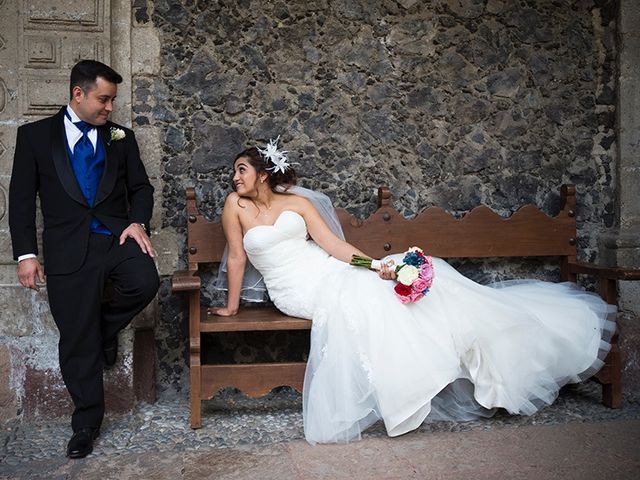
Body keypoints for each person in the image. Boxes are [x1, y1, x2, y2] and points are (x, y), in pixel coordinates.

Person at [213, 140, 615, 444]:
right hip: (295, 290)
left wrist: (375, 266)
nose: (236, 177)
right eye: (235, 172)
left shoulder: (297, 204)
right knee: (368, 300)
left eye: (242, 169)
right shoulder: (236, 206)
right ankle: (419, 379)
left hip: (327, 270)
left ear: (263, 174)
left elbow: (334, 248)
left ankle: (478, 345)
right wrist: (232, 307)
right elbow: (236, 258)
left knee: (389, 286)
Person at [9, 60, 159, 458]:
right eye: (103, 99)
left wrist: (137, 222)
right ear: (78, 94)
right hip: (66, 248)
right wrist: (26, 255)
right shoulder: (35, 137)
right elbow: (21, 201)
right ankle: (86, 425)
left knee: (146, 281)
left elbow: (141, 187)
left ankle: (103, 331)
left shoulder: (120, 137)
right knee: (76, 341)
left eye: (112, 100)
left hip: (114, 238)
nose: (110, 108)